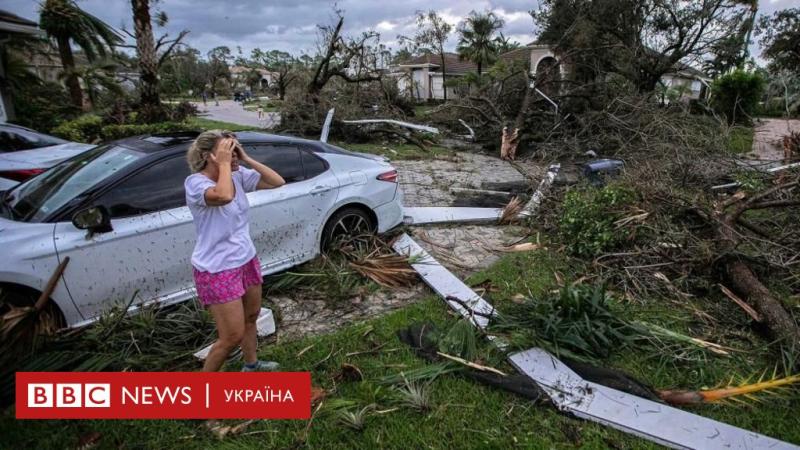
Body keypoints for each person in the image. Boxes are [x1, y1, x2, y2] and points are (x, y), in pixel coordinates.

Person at [184, 130, 286, 372]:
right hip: (217, 268)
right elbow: (224, 195)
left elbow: (277, 181)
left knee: (251, 317)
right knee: (230, 337)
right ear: (210, 156)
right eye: (228, 150)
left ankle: (251, 365)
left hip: (245, 259)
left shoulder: (237, 176)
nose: (234, 155)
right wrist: (225, 165)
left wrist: (246, 158)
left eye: (234, 149)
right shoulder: (196, 183)